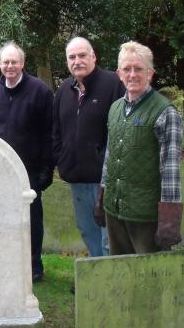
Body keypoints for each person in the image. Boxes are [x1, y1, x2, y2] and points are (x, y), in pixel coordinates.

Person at [98, 41, 183, 255]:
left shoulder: (165, 113)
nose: (132, 74)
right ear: (119, 73)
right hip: (114, 211)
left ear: (150, 73)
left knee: (150, 281)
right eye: (127, 69)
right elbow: (109, 158)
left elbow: (170, 171)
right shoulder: (115, 108)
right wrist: (102, 197)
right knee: (121, 276)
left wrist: (169, 221)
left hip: (145, 216)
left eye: (139, 69)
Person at [52, 37, 125, 257]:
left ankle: (110, 284)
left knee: (107, 237)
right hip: (76, 177)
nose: (77, 61)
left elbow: (121, 130)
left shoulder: (113, 84)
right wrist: (61, 158)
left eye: (82, 55)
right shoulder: (64, 89)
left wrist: (103, 160)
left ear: (93, 57)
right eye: (72, 57)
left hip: (105, 178)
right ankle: (95, 279)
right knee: (87, 231)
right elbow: (56, 130)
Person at [0, 41, 54, 282]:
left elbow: (50, 132)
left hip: (31, 170)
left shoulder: (40, 91)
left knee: (32, 221)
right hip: (0, 171)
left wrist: (46, 170)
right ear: (0, 65)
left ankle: (34, 265)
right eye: (5, 62)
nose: (10, 66)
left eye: (14, 62)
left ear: (22, 63)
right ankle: (8, 261)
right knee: (3, 218)